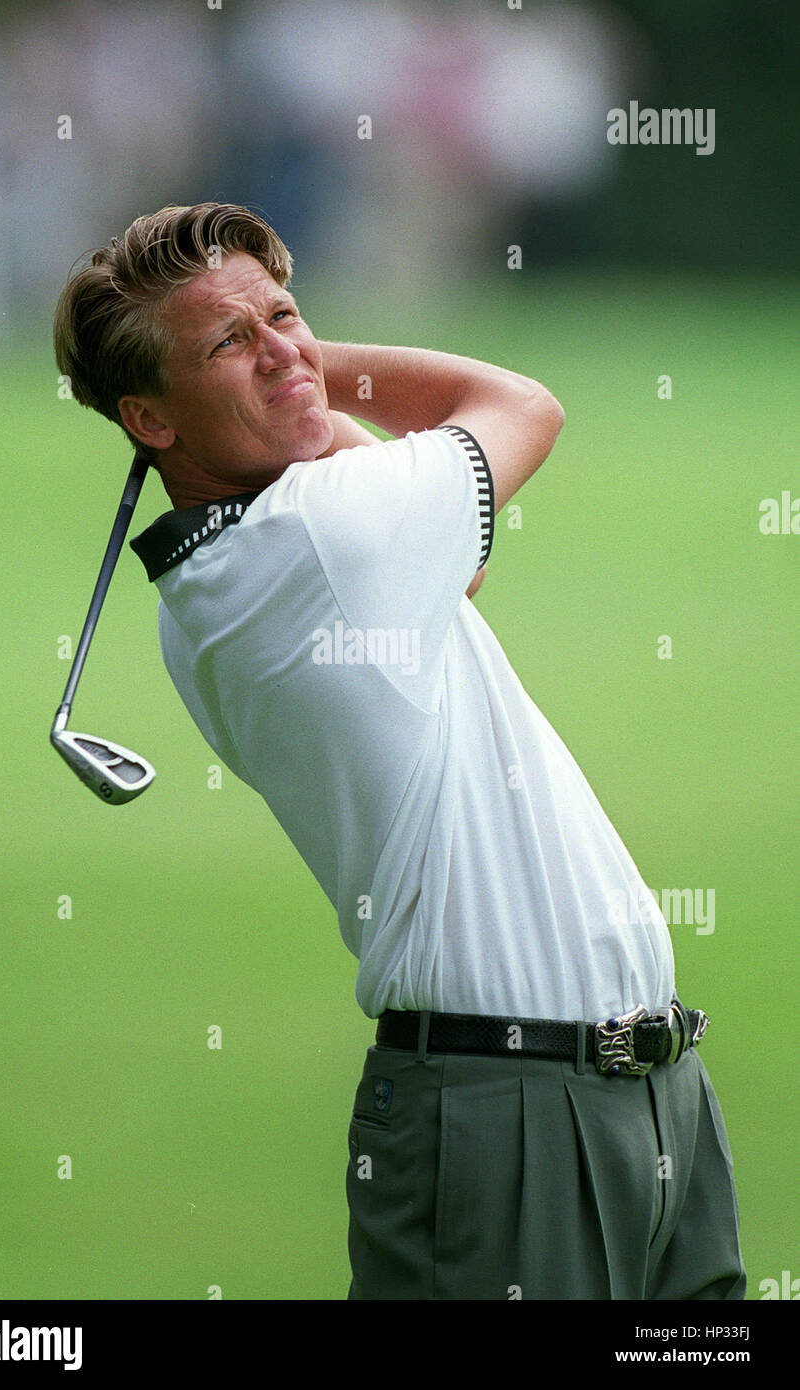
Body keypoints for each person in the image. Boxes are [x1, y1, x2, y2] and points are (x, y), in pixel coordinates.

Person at [54, 202, 745, 1300]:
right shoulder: (324, 535)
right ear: (149, 418)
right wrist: (313, 372)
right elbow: (520, 405)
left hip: (633, 1093)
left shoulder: (251, 563)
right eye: (229, 343)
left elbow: (448, 562)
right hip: (508, 1116)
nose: (283, 348)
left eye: (286, 315)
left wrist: (271, 374)